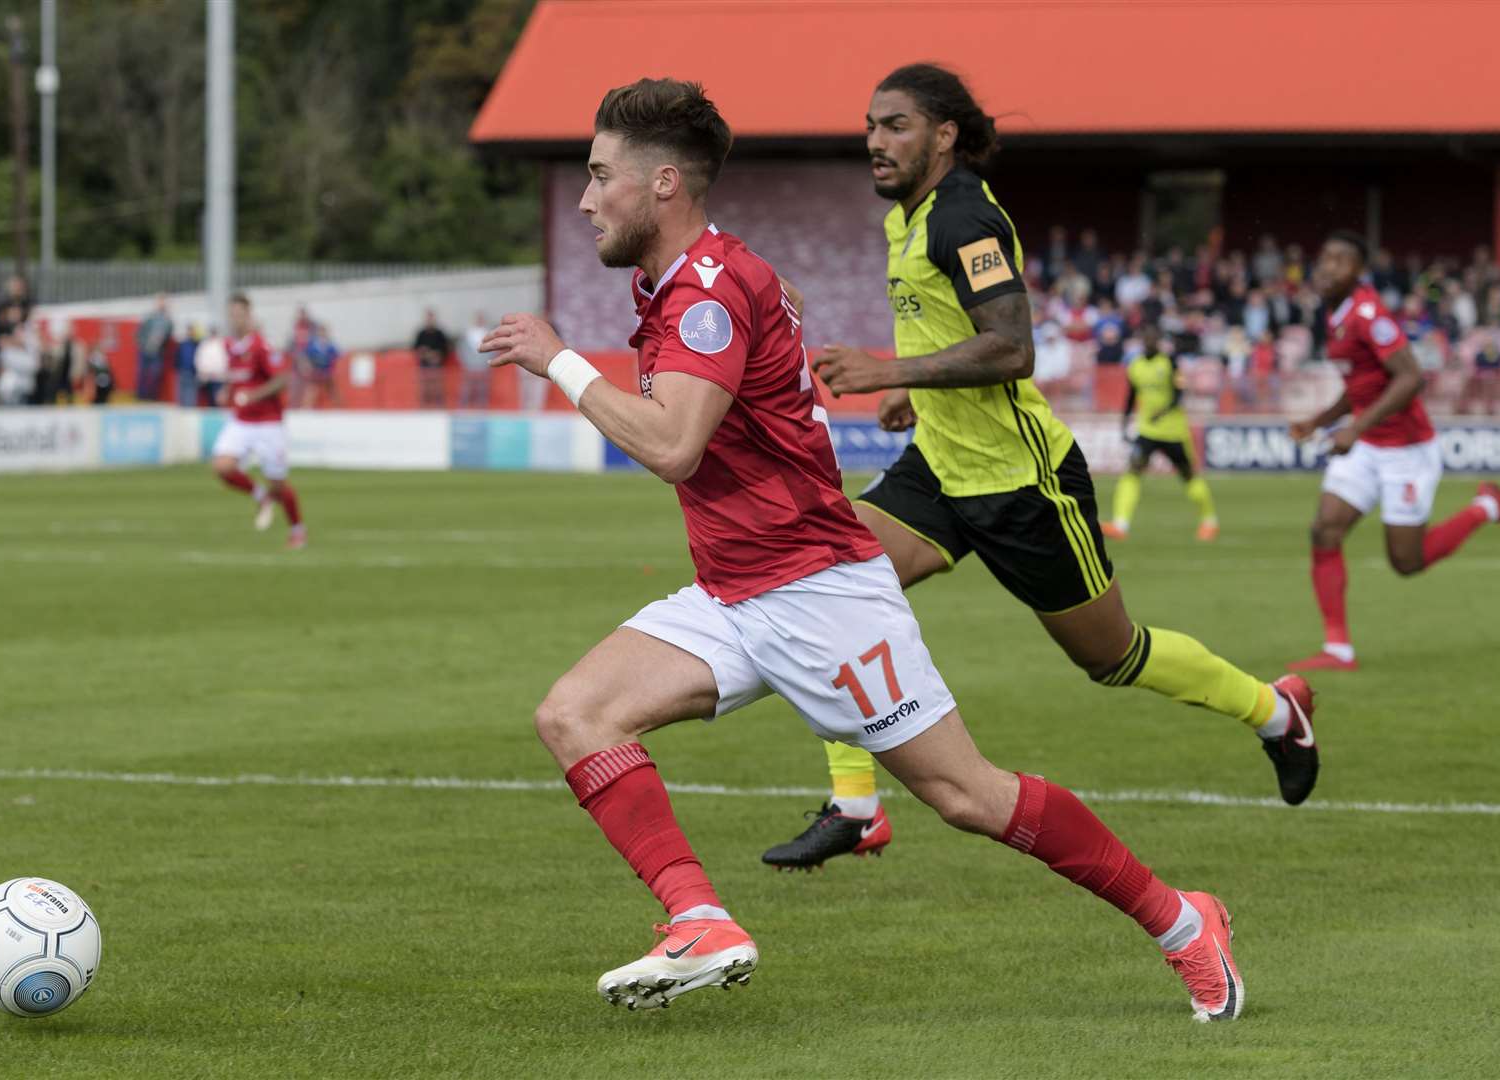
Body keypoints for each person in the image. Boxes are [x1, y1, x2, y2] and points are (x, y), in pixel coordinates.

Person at [480, 75, 1243, 1023]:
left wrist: (559, 358)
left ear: (664, 183)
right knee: (575, 714)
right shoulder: (699, 276)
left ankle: (1182, 923)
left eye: (600, 177)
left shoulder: (709, 295)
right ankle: (700, 919)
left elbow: (675, 447)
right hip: (736, 591)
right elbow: (768, 323)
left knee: (969, 797)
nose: (587, 198)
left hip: (819, 594)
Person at [798, 63, 1315, 878]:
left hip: (1020, 483)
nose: (874, 140)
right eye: (869, 124)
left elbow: (1013, 347)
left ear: (944, 135)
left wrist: (893, 374)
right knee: (821, 582)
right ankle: (856, 806)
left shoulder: (963, 218)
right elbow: (950, 333)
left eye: (894, 124)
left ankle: (1273, 709)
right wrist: (919, 397)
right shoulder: (910, 216)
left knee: (1112, 657)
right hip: (939, 468)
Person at [1286, 232, 1500, 672]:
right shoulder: (1334, 313)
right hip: (1368, 445)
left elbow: (1411, 377)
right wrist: (1321, 421)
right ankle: (1338, 649)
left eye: (1340, 261)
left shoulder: (1368, 314)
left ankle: (1487, 507)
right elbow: (1361, 385)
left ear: (1359, 272)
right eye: (1323, 258)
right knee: (1325, 529)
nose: (1326, 267)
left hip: (1406, 450)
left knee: (1406, 561)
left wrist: (1353, 427)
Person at [1104, 323, 1218, 541]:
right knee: (1132, 472)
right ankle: (1120, 524)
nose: (1148, 342)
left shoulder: (1170, 363)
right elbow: (1131, 395)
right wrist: (1124, 422)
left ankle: (1209, 521)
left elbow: (1179, 393)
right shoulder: (1135, 365)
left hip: (1173, 432)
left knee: (1188, 476)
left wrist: (1163, 411)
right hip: (1147, 431)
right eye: (1145, 339)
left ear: (1158, 341)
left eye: (1152, 339)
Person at [211, 293, 307, 549]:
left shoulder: (261, 346)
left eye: (240, 314)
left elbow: (282, 379)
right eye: (232, 314)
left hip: (268, 423)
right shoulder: (229, 346)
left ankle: (297, 529)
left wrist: (253, 395)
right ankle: (261, 496)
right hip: (241, 421)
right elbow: (238, 379)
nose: (235, 319)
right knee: (222, 467)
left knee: (279, 484)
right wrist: (227, 391)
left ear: (249, 315)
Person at [135, 294, 174, 402]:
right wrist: (142, 345)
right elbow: (140, 331)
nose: (162, 304)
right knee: (142, 373)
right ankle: (141, 396)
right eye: (160, 302)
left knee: (155, 373)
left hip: (157, 352)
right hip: (145, 350)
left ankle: (152, 396)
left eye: (164, 302)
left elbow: (168, 335)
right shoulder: (150, 316)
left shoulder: (168, 320)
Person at [413, 308, 451, 408]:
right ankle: (424, 405)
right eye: (428, 318)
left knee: (437, 387)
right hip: (424, 365)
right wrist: (425, 354)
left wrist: (436, 355)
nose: (430, 320)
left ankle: (439, 405)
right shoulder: (421, 334)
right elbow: (416, 349)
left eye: (431, 317)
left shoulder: (440, 334)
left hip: (437, 365)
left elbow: (445, 349)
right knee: (425, 387)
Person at [458, 311, 491, 409]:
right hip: (469, 364)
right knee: (467, 386)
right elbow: (462, 349)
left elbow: (492, 350)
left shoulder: (487, 332)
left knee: (483, 386)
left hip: (483, 365)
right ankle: (463, 406)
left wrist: (488, 362)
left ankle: (482, 406)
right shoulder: (468, 332)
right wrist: (465, 362)